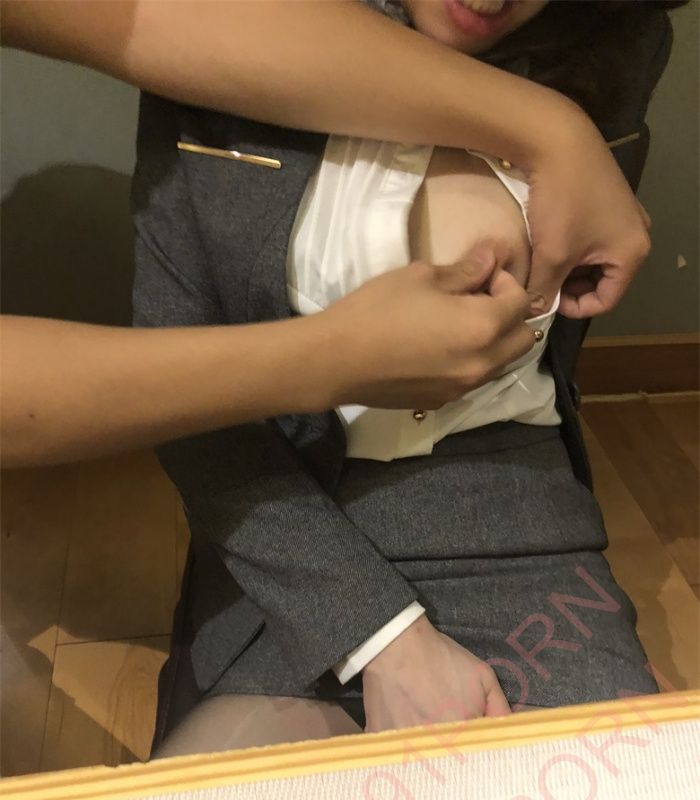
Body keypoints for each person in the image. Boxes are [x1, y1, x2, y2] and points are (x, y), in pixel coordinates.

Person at [138, 0, 682, 757]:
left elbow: (562, 344)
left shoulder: (612, 44)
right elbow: (183, 402)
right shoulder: (212, 34)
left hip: (515, 514)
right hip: (281, 513)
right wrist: (380, 633)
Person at [1, 0, 655, 466]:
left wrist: (554, 131)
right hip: (283, 499)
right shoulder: (207, 164)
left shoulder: (617, 54)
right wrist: (332, 361)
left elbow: (150, 15)